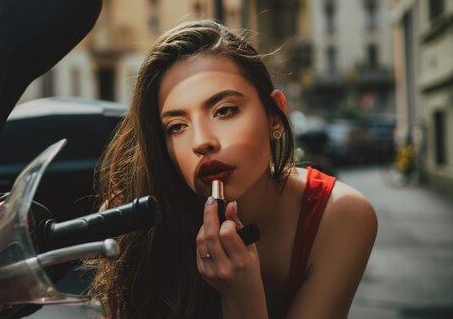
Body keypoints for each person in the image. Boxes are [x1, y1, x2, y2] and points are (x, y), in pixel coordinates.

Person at [88, 19, 377, 319]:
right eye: (177, 127)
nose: (201, 142)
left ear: (275, 115)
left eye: (224, 110)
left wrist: (241, 296)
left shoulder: (340, 214)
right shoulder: (135, 219)